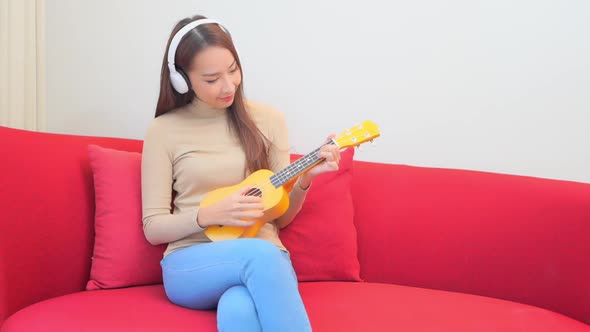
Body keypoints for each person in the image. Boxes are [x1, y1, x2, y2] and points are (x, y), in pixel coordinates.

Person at [141, 15, 341, 332]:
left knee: (239, 307)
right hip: (192, 263)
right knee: (261, 256)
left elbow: (280, 217)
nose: (228, 85)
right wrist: (207, 215)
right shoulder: (163, 131)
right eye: (211, 78)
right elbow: (153, 228)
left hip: (265, 259)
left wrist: (303, 181)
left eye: (233, 70)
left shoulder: (269, 120)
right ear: (182, 79)